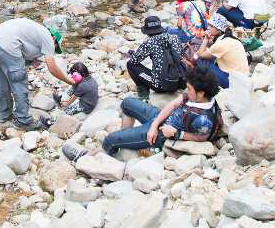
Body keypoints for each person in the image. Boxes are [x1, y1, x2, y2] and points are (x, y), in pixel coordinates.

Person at [63, 66, 222, 160]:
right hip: (159, 121)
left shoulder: (204, 119)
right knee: (127, 103)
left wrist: (177, 133)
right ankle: (127, 137)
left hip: (160, 135)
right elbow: (173, 104)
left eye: (190, 89)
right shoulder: (196, 96)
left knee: (110, 139)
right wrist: (154, 124)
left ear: (201, 93)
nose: (186, 91)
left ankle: (86, 157)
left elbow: (202, 137)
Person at [0, 17, 72, 130]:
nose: (52, 49)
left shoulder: (36, 30)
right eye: (55, 47)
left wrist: (29, 61)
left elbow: (22, 46)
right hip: (7, 46)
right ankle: (24, 120)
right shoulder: (48, 37)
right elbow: (52, 67)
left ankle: (4, 116)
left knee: (1, 82)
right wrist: (69, 81)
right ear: (54, 38)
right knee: (19, 82)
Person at [125, 16, 189, 101]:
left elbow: (134, 60)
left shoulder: (149, 42)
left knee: (130, 64)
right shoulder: (174, 38)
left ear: (147, 32)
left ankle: (143, 96)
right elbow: (180, 55)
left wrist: (132, 54)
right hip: (181, 81)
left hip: (162, 85)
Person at [194, 14, 250, 88]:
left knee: (199, 59)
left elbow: (200, 54)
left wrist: (206, 39)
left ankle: (202, 81)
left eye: (211, 26)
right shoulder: (230, 37)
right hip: (243, 78)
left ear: (219, 29)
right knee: (211, 57)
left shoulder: (220, 44)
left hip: (232, 82)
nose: (208, 28)